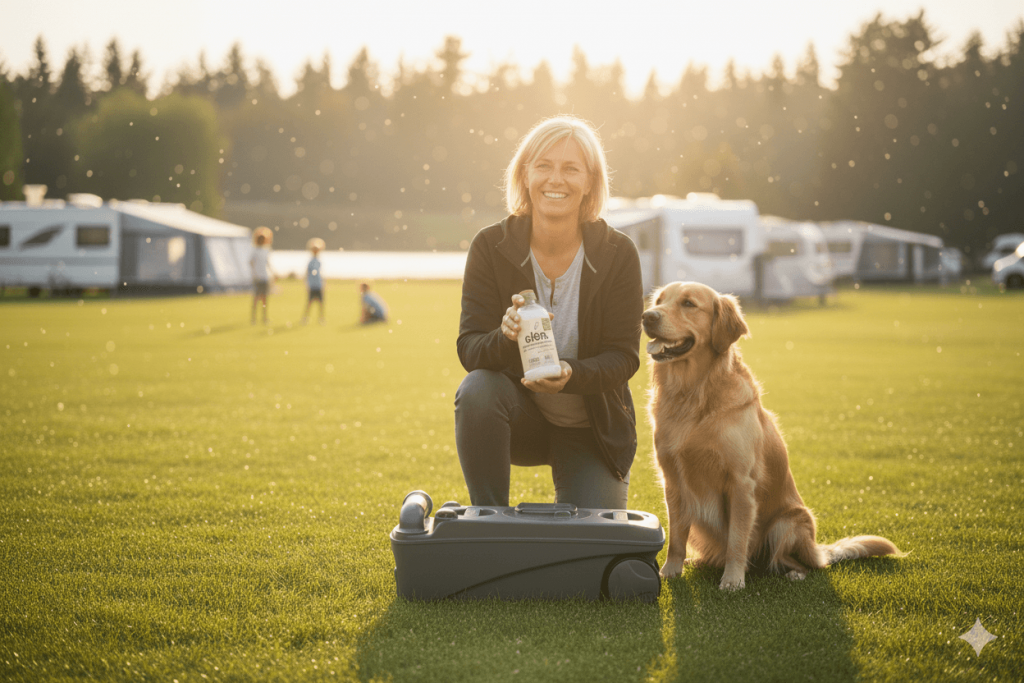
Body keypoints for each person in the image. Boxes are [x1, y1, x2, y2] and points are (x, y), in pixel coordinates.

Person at [454, 116, 644, 510]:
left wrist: (571, 374)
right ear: (525, 175)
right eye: (544, 165)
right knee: (477, 390)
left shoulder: (618, 253)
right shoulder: (490, 246)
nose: (556, 179)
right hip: (520, 419)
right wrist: (504, 337)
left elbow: (624, 357)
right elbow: (470, 349)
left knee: (591, 542)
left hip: (592, 430)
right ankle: (489, 520)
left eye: (571, 169)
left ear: (589, 182)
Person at [249, 226, 275, 325]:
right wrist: (254, 273)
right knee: (256, 298)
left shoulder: (266, 250)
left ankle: (264, 317)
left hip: (265, 277)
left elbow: (268, 264)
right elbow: (251, 263)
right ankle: (254, 317)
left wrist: (273, 274)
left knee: (264, 298)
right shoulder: (254, 251)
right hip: (257, 278)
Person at [301, 237, 326, 325]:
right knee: (309, 302)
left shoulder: (318, 260)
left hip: (319, 284)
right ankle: (305, 318)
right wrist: (307, 283)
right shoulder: (311, 261)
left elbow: (320, 273)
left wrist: (323, 283)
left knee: (321, 303)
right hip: (312, 285)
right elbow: (308, 273)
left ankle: (321, 318)